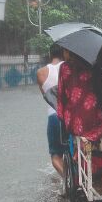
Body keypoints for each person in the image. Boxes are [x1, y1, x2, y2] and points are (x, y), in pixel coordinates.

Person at [56, 49, 102, 181]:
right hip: (93, 120)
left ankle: (82, 154)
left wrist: (62, 117)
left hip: (72, 121)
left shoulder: (64, 68)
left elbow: (61, 96)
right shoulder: (94, 67)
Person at [37, 44, 66, 189]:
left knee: (56, 156)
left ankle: (67, 180)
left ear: (50, 54)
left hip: (54, 116)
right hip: (71, 117)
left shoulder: (41, 72)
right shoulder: (70, 69)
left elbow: (46, 96)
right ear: (64, 53)